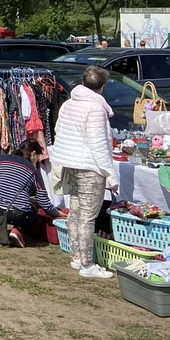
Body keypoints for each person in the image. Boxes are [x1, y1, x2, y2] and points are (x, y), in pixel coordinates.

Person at [49, 65, 119, 279]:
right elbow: (98, 144)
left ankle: (77, 256)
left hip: (71, 163)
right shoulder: (95, 108)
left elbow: (58, 130)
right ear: (102, 87)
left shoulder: (70, 103)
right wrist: (111, 174)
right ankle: (87, 265)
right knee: (87, 217)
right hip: (89, 166)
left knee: (77, 212)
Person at [0, 140, 62, 247]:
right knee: (33, 211)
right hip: (14, 213)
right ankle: (17, 230)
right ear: (33, 154)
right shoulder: (33, 171)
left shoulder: (1, 159)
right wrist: (58, 214)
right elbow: (44, 203)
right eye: (37, 159)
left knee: (17, 203)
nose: (37, 162)